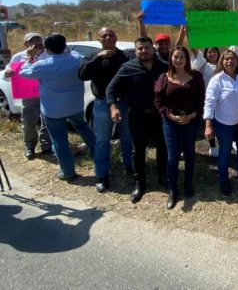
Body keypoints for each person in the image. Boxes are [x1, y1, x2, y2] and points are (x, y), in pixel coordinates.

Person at [19, 33, 96, 181]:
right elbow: (73, 53)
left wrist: (29, 57)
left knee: (59, 140)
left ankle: (67, 172)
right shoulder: (76, 58)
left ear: (46, 49)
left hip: (53, 110)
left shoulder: (43, 65)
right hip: (75, 105)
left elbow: (24, 73)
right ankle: (100, 158)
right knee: (85, 130)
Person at [106, 36, 168, 204]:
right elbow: (110, 89)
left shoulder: (164, 67)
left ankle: (163, 178)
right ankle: (139, 183)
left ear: (153, 49)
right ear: (136, 51)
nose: (144, 51)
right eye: (140, 48)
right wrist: (113, 107)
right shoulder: (127, 67)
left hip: (160, 116)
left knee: (162, 148)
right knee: (138, 151)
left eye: (147, 47)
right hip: (137, 116)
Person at [78, 27, 133, 193]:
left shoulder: (125, 57)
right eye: (104, 36)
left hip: (124, 103)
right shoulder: (92, 57)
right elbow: (82, 75)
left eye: (111, 34)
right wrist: (97, 58)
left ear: (116, 37)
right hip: (102, 104)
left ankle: (129, 167)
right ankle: (102, 175)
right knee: (102, 140)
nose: (108, 37)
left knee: (127, 137)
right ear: (99, 40)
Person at [154, 46, 205, 210]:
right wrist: (171, 116)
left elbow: (201, 99)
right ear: (171, 58)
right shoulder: (164, 77)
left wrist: (192, 115)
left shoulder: (196, 76)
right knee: (172, 157)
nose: (178, 60)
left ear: (187, 59)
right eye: (175, 57)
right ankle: (172, 189)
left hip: (191, 121)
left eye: (182, 57)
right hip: (171, 122)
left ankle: (188, 184)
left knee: (190, 153)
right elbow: (159, 101)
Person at [204, 49, 238, 197]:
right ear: (222, 61)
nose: (229, 61)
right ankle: (223, 180)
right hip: (224, 124)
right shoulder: (216, 80)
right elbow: (209, 102)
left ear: (237, 61)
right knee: (225, 152)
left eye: (232, 58)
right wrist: (208, 125)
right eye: (226, 59)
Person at [3, 32, 52, 159]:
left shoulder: (49, 54)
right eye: (31, 40)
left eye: (38, 39)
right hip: (29, 94)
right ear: (25, 43)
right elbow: (8, 73)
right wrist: (8, 73)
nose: (35, 42)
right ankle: (29, 146)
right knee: (29, 121)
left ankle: (47, 145)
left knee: (47, 120)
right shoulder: (19, 56)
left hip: (48, 92)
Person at [175, 25, 221, 157]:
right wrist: (187, 32)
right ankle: (210, 146)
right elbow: (194, 47)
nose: (212, 53)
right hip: (203, 100)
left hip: (220, 100)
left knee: (220, 123)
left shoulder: (222, 65)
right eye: (209, 51)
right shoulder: (202, 63)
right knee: (205, 124)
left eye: (214, 51)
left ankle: (224, 144)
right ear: (206, 54)